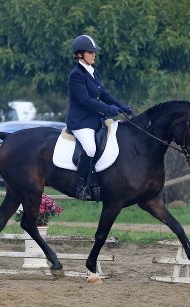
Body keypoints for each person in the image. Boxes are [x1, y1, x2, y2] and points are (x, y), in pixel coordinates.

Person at [67, 34, 133, 200]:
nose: (94, 54)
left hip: (94, 121)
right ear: (80, 54)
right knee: (90, 148)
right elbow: (85, 100)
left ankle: (99, 182)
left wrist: (120, 106)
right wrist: (108, 109)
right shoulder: (76, 75)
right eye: (90, 52)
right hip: (81, 122)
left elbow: (104, 94)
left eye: (94, 52)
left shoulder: (94, 72)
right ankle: (81, 186)